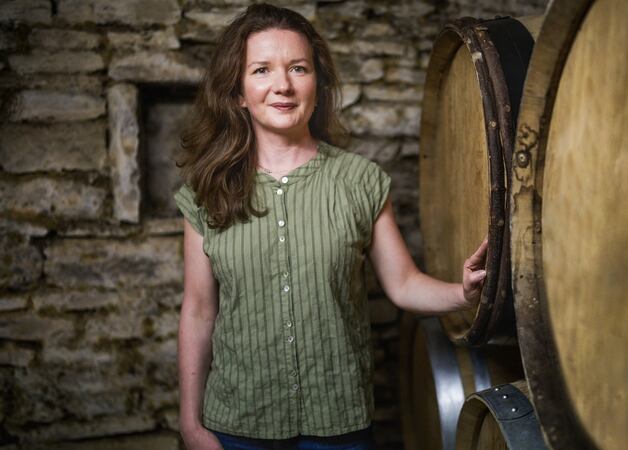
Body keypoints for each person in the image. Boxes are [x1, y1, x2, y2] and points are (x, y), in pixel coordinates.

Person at [174, 4, 488, 449]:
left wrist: (463, 292)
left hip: (338, 425)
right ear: (238, 92)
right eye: (261, 70)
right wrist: (190, 424)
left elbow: (402, 284)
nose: (282, 85)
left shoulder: (361, 180)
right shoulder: (206, 191)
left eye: (298, 68)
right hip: (237, 425)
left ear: (316, 86)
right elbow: (199, 311)